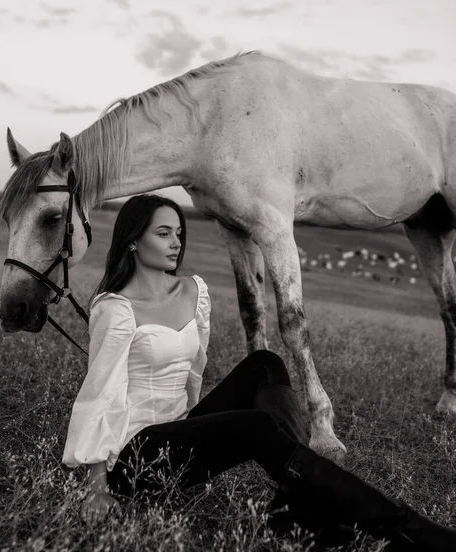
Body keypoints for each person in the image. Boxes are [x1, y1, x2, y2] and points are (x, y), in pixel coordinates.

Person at [63, 194, 455, 550]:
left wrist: (202, 428)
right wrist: (97, 487)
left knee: (265, 364)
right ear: (133, 240)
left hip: (178, 430)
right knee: (255, 427)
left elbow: (193, 374)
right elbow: (97, 395)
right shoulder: (116, 310)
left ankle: (295, 503)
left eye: (178, 232)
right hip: (136, 456)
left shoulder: (192, 292)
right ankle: (407, 527)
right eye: (163, 233)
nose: (176, 242)